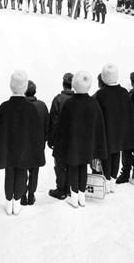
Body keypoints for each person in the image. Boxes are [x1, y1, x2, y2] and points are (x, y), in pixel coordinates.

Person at [0, 70, 45, 216]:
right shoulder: (31, 108)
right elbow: (36, 133)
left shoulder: (4, 107)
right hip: (24, 150)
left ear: (11, 85)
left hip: (8, 149)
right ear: (25, 86)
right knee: (21, 173)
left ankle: (8, 203)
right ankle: (16, 202)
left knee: (9, 174)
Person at [54, 71, 107, 208]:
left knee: (73, 167)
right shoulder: (93, 103)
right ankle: (82, 197)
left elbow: (62, 127)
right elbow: (98, 126)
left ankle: (74, 196)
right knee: (84, 167)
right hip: (87, 144)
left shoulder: (69, 104)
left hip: (72, 144)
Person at [93, 64, 134, 193]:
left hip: (106, 130)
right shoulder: (123, 92)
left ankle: (106, 182)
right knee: (117, 154)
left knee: (106, 156)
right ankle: (112, 182)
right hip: (120, 130)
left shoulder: (100, 94)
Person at [47, 73, 74, 200]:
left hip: (60, 138)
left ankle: (60, 189)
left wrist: (51, 139)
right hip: (74, 138)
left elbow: (53, 121)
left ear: (63, 83)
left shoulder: (58, 99)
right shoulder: (77, 98)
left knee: (60, 165)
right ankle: (69, 189)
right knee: (70, 163)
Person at [22, 80, 49, 205]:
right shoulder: (42, 106)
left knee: (23, 170)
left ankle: (22, 195)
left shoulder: (22, 106)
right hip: (38, 144)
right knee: (35, 171)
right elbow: (47, 126)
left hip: (24, 144)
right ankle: (31, 195)